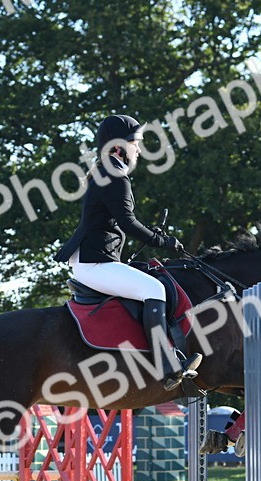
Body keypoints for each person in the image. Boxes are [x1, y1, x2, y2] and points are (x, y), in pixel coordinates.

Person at [56, 114, 202, 391]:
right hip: (95, 262)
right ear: (120, 146)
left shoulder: (107, 170)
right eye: (137, 142)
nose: (140, 148)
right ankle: (167, 366)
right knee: (155, 290)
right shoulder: (114, 175)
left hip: (95, 259)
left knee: (151, 282)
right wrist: (162, 241)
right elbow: (128, 223)